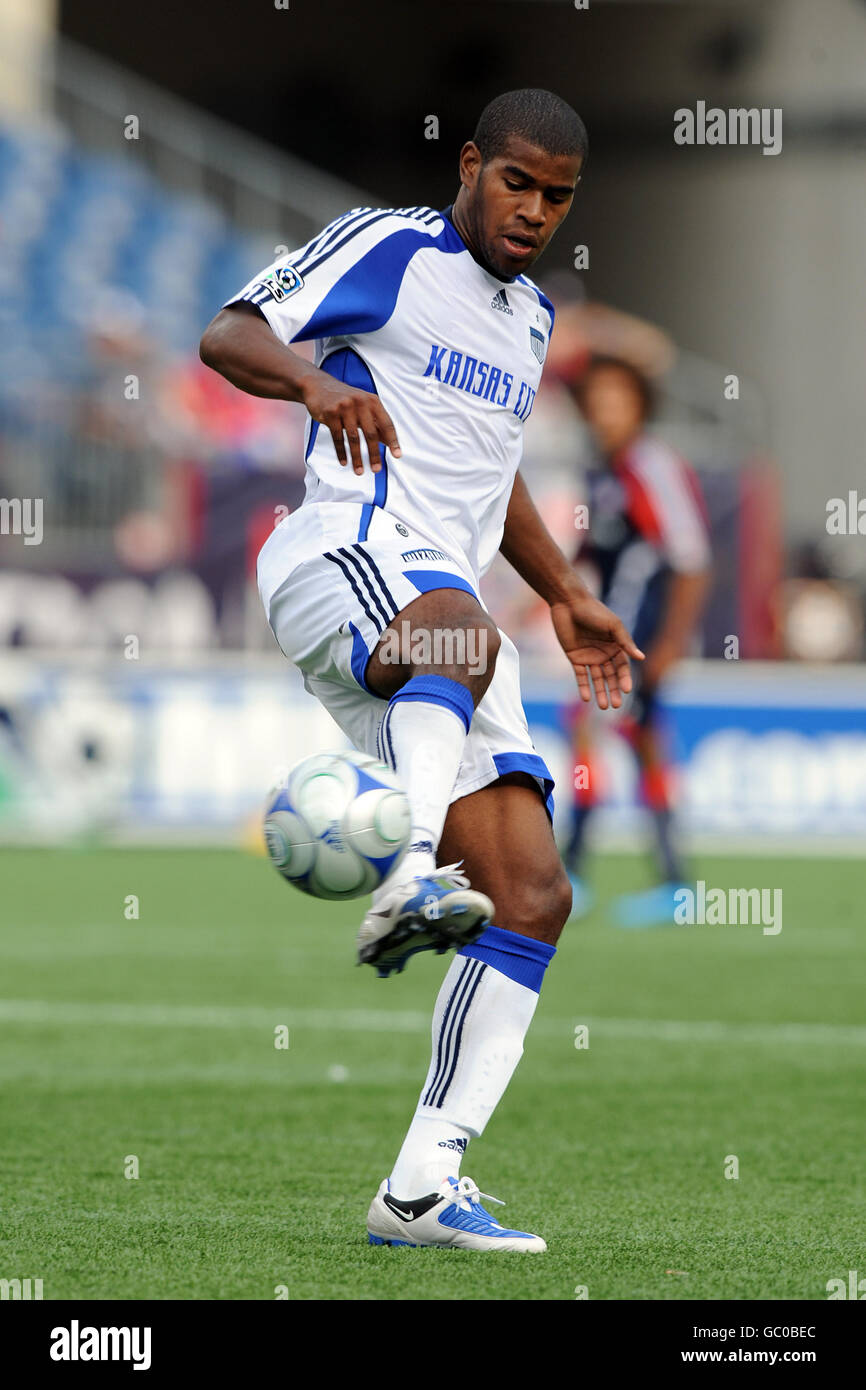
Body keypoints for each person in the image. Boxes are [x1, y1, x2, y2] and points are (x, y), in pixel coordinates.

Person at [200, 89, 642, 1253]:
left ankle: (420, 1188)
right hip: (340, 552)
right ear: (470, 166)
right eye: (517, 183)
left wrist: (567, 593)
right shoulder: (390, 248)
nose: (534, 210)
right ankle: (401, 875)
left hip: (445, 608)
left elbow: (489, 486)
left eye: (556, 196)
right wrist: (313, 382)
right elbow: (229, 331)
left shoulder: (534, 320)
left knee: (532, 893)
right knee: (458, 626)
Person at [563, 355, 711, 926]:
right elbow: (592, 552)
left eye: (617, 400)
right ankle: (674, 883)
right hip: (618, 634)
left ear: (641, 406)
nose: (605, 412)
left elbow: (692, 559)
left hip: (639, 638)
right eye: (596, 401)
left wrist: (672, 642)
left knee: (591, 732)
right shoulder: (602, 470)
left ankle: (576, 872)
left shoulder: (651, 465)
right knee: (639, 740)